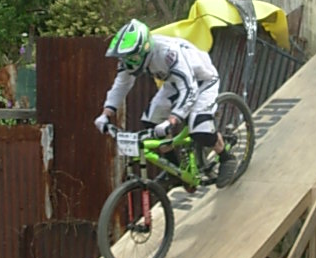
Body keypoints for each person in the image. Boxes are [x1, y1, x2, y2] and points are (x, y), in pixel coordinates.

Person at [95, 19, 237, 188]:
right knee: (151, 122)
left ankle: (226, 157)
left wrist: (172, 120)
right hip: (174, 83)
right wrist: (105, 114)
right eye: (125, 58)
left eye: (131, 57)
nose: (128, 62)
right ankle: (175, 170)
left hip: (202, 81)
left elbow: (189, 89)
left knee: (200, 130)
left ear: (144, 49)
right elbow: (120, 85)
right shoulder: (131, 59)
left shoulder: (168, 53)